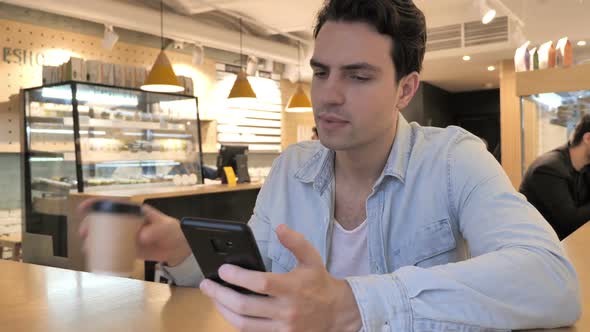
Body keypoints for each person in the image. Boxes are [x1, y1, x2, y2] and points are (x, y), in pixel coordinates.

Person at [80, 1, 580, 330]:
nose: (329, 95)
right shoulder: (290, 169)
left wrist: (354, 303)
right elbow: (259, 290)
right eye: (321, 73)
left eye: (358, 76)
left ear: (405, 89)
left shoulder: (453, 158)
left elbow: (552, 283)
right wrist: (183, 255)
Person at [520, 113, 590, 240]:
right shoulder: (548, 169)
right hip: (539, 249)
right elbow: (571, 221)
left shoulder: (584, 167)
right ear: (588, 138)